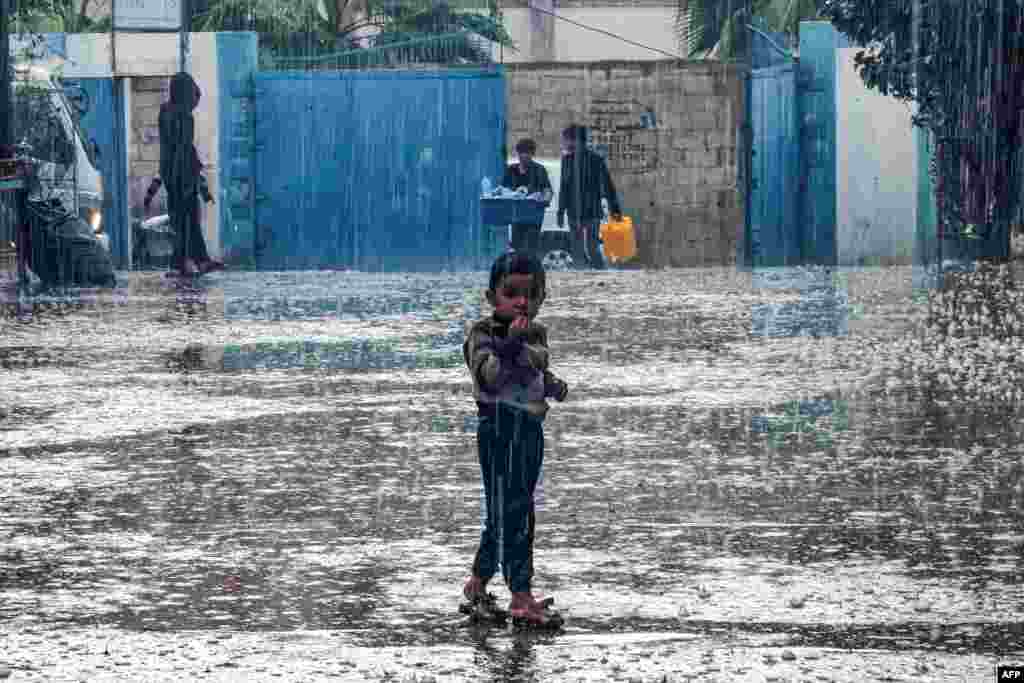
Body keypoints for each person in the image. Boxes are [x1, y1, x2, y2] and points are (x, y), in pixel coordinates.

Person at [461, 252, 569, 628]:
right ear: (493, 298)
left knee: (509, 511)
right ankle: (520, 596)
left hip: (528, 431)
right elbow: (490, 376)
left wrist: (552, 384)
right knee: (512, 512)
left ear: (542, 298)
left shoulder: (536, 334)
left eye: (532, 294)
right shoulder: (482, 334)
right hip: (499, 429)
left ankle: (477, 583)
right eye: (512, 293)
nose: (522, 301)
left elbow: (535, 368)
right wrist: (510, 343)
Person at [159, 72, 222, 276]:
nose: (195, 104)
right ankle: (182, 262)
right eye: (193, 99)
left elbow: (180, 149)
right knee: (185, 219)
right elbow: (182, 148)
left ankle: (198, 259)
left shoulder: (166, 111)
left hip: (174, 172)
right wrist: (189, 180)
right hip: (180, 174)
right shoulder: (182, 116)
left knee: (187, 218)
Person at [557, 124, 623, 270]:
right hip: (573, 212)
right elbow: (564, 187)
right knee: (577, 251)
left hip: (592, 212)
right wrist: (560, 211)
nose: (564, 143)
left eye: (566, 140)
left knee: (592, 249)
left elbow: (607, 186)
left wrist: (615, 210)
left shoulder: (596, 160)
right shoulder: (567, 161)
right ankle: (582, 279)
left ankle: (601, 274)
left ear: (576, 140)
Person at [501, 139, 553, 259]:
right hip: (516, 215)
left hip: (533, 215)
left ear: (532, 154)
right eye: (521, 152)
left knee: (531, 246)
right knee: (516, 246)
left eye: (527, 152)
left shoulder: (539, 170)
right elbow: (503, 190)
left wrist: (545, 199)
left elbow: (547, 190)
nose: (524, 155)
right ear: (518, 153)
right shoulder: (511, 170)